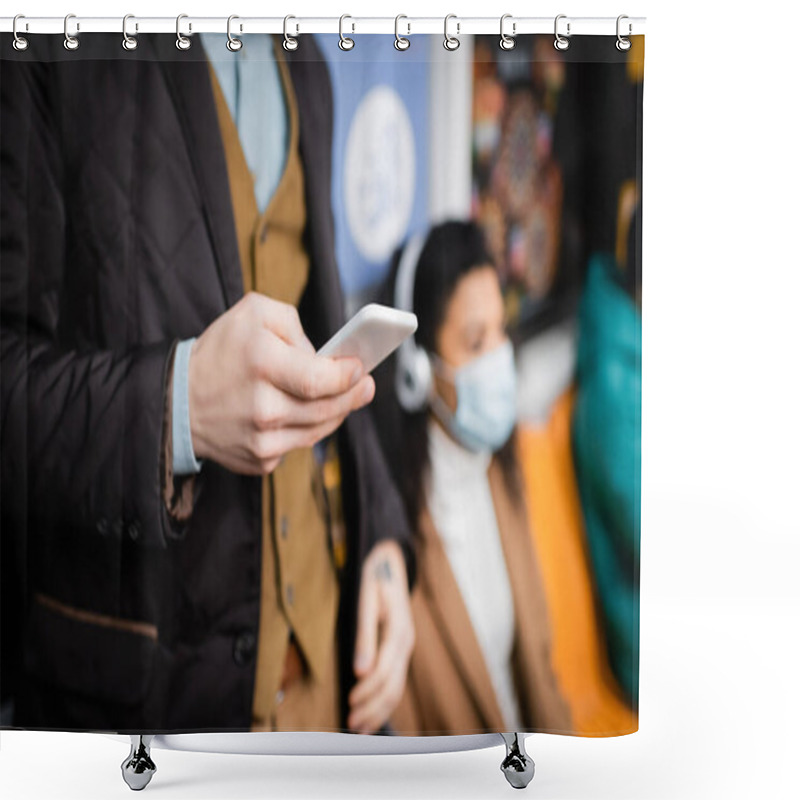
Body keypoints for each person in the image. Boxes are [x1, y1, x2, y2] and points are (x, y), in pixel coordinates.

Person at [0, 31, 414, 735]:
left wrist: (381, 541)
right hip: (158, 701)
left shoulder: (306, 62)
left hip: (327, 675)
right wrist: (177, 405)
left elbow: (325, 331)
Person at [368, 220, 572, 734]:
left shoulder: (502, 471)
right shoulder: (394, 542)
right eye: (476, 341)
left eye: (501, 330)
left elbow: (542, 674)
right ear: (418, 372)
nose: (500, 357)